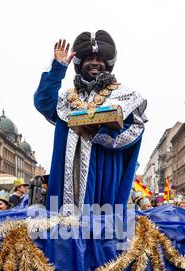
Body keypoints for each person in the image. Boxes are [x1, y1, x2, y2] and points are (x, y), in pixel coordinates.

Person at [34, 31, 147, 212]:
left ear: (108, 63)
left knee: (103, 227)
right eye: (89, 58)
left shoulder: (126, 95)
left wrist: (100, 134)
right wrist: (58, 69)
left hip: (104, 170)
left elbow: (135, 129)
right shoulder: (66, 98)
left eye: (100, 59)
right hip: (67, 176)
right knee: (63, 230)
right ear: (80, 64)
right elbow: (43, 102)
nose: (95, 62)